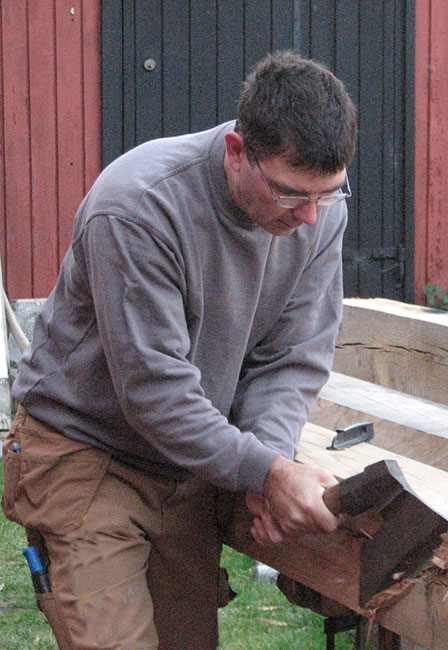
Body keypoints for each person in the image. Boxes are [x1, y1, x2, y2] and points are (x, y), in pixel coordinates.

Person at [2, 50, 357, 650]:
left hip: (188, 464)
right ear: (236, 152)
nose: (309, 216)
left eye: (329, 194)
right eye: (291, 195)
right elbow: (155, 392)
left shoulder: (318, 212)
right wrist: (270, 473)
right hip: (87, 451)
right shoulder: (139, 206)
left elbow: (290, 359)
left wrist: (267, 462)